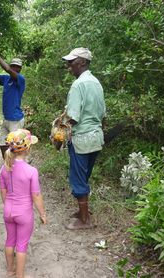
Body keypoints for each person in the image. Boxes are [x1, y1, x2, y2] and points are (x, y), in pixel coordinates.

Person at [62, 47, 106, 230]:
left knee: (78, 179)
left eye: (71, 62)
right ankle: (83, 212)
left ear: (82, 62)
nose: (69, 66)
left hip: (81, 139)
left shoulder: (78, 85)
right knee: (84, 176)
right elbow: (103, 115)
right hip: (96, 138)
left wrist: (60, 131)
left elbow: (73, 116)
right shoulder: (96, 82)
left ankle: (85, 220)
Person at [0, 129, 47, 278]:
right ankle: (20, 275)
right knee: (21, 245)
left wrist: (8, 206)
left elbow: (3, 193)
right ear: (27, 149)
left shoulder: (4, 168)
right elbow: (36, 196)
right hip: (24, 213)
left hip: (8, 211)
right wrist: (42, 214)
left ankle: (10, 270)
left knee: (10, 241)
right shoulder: (31, 171)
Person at [0, 56, 26, 158]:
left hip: (16, 119)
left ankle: (18, 167)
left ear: (20, 69)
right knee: (3, 144)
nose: (14, 68)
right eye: (13, 65)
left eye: (17, 66)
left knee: (14, 146)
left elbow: (7, 69)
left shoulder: (20, 79)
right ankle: (7, 165)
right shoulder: (6, 78)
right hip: (6, 118)